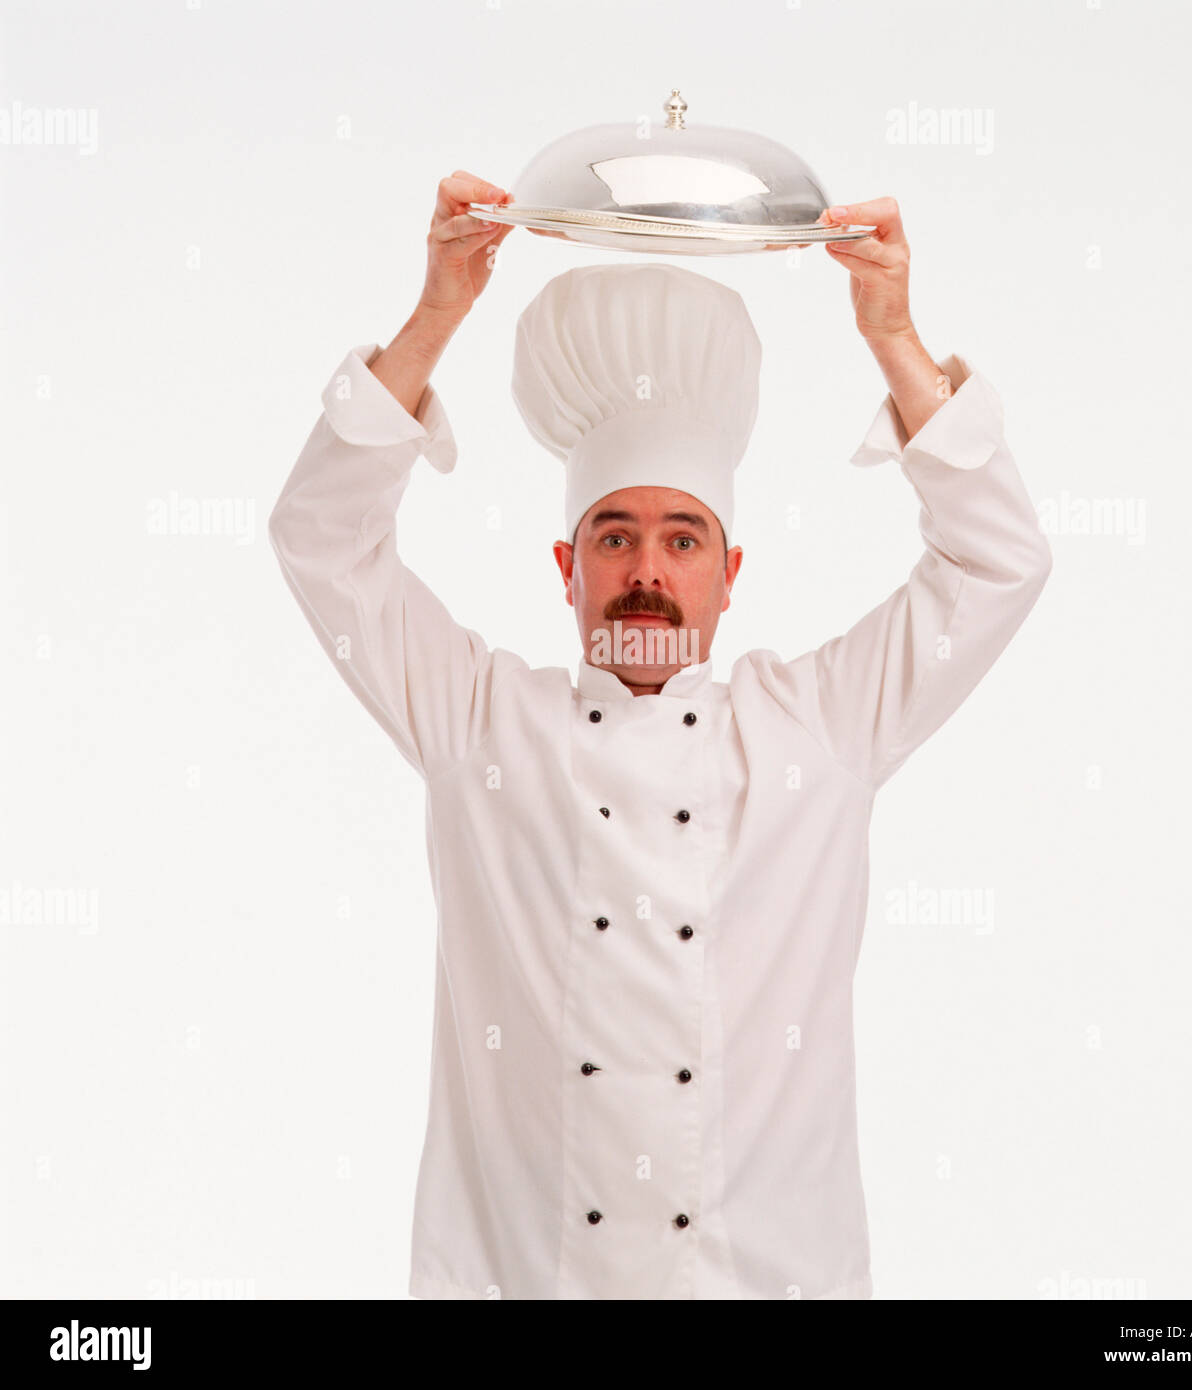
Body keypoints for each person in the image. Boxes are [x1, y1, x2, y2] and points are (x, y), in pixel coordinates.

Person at [268, 171, 1053, 1300]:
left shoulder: (819, 727)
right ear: (565, 570)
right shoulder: (477, 721)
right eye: (614, 536)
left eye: (683, 539)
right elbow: (320, 541)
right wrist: (436, 312)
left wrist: (895, 339)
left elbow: (999, 564)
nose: (646, 570)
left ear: (729, 576)